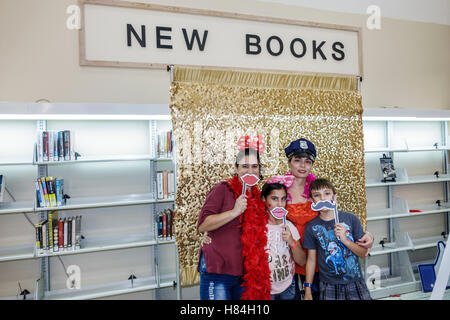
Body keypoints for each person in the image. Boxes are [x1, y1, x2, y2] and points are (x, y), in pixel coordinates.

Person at [283, 138, 374, 299]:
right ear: (289, 162)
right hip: (293, 256)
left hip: (323, 259)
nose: (303, 166)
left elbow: (336, 218)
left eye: (308, 161)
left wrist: (368, 236)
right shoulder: (279, 190)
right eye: (297, 160)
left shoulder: (317, 188)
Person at [197, 147, 271, 300]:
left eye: (254, 166)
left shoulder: (257, 198)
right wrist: (234, 212)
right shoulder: (222, 189)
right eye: (245, 166)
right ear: (236, 168)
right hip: (218, 272)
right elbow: (203, 225)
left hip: (244, 275)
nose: (250, 170)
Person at [303, 178, 372, 300]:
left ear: (334, 198)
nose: (323, 199)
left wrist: (346, 240)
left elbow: (363, 253)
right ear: (311, 200)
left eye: (327, 193)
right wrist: (307, 288)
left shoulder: (351, 219)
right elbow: (311, 260)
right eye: (317, 195)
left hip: (355, 281)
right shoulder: (311, 227)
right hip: (328, 285)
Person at [262, 178, 307, 300]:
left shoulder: (289, 226)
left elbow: (302, 261)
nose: (280, 204)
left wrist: (292, 241)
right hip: (264, 290)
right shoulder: (257, 227)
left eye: (283, 199)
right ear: (264, 200)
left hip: (288, 287)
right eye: (274, 199)